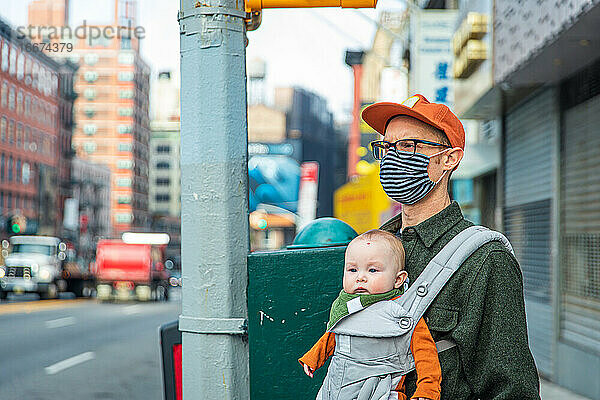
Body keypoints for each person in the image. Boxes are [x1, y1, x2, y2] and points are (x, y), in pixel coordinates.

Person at [359, 94, 541, 399]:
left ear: (449, 159)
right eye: (386, 147)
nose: (391, 157)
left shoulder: (484, 260)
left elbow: (513, 389)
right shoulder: (372, 248)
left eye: (407, 146)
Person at [299, 229, 442, 400]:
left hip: (382, 389)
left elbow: (426, 354)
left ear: (398, 279)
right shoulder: (344, 305)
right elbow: (335, 333)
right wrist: (315, 357)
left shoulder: (403, 312)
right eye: (352, 270)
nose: (361, 277)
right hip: (339, 386)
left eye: (372, 270)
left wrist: (427, 389)